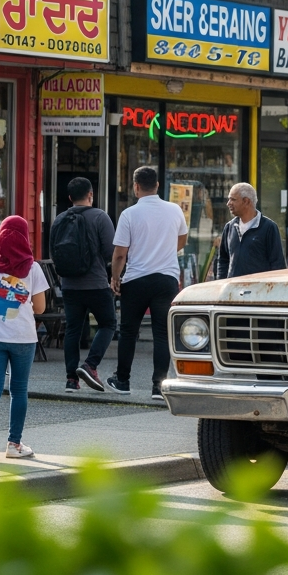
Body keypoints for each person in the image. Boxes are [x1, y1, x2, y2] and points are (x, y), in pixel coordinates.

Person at [0, 215, 47, 463]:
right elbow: (41, 308)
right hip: (23, 338)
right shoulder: (33, 268)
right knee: (19, 389)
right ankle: (14, 444)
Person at [109, 166, 187, 400]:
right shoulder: (174, 210)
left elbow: (120, 253)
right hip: (166, 279)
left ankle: (123, 381)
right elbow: (182, 239)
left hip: (136, 280)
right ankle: (158, 385)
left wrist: (115, 277)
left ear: (135, 187)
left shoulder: (129, 214)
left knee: (128, 332)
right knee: (162, 333)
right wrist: (164, 253)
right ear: (157, 185)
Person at [52, 177, 117, 394]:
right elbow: (111, 252)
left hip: (69, 284)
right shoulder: (100, 217)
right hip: (96, 283)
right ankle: (90, 365)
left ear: (70, 198)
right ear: (91, 195)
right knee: (108, 324)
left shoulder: (59, 219)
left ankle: (71, 379)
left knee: (73, 329)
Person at [216, 182, 285, 279]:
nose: (228, 203)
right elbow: (223, 260)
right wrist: (220, 283)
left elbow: (277, 264)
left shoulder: (269, 228)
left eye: (233, 199)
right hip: (232, 290)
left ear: (246, 201)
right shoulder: (229, 227)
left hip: (258, 290)